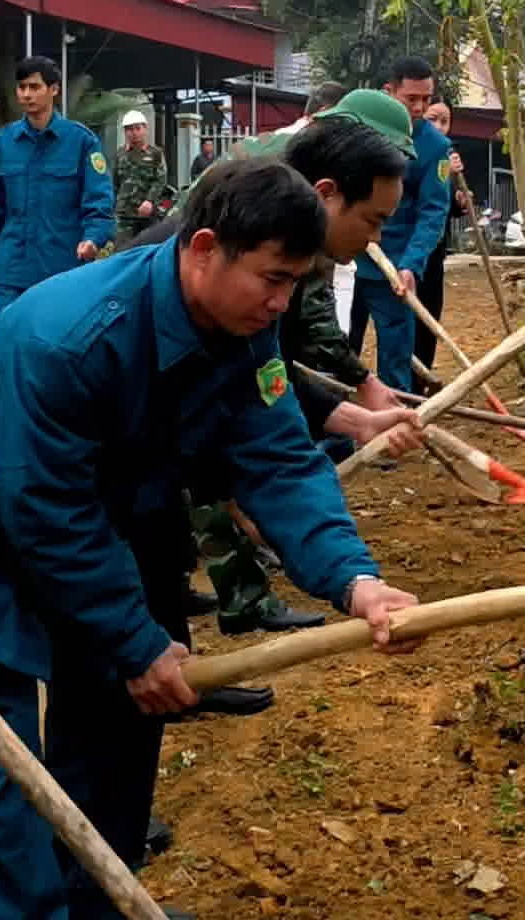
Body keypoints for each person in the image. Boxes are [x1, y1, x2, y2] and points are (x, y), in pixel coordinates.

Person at [0, 158, 423, 920]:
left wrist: (355, 580)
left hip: (96, 520)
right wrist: (134, 639)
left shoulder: (249, 332)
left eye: (295, 283)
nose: (283, 303)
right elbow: (45, 511)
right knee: (7, 778)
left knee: (116, 729)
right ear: (205, 248)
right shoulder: (68, 337)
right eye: (273, 279)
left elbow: (277, 461)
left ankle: (99, 907)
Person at [129, 89, 420, 639]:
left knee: (166, 540)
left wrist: (354, 579)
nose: (377, 239)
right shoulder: (251, 246)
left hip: (154, 454)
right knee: (152, 530)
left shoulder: (270, 272)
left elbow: (268, 389)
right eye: (372, 220)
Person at [0, 56, 114, 320]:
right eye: (22, 87)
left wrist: (92, 239)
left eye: (34, 87)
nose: (26, 94)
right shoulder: (5, 142)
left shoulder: (81, 142)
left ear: (54, 89)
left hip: (61, 269)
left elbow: (99, 203)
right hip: (12, 271)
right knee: (6, 341)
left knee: (55, 346)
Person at [346, 57, 453, 393]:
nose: (420, 107)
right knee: (335, 341)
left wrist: (411, 265)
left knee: (395, 350)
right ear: (388, 92)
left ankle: (396, 418)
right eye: (412, 99)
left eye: (427, 99)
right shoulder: (358, 133)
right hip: (344, 260)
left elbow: (433, 212)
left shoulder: (435, 148)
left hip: (391, 269)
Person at [415, 99, 472, 388]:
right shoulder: (414, 149)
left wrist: (460, 201)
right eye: (433, 118)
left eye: (445, 121)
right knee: (408, 316)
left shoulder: (446, 155)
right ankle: (406, 383)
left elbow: (443, 206)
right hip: (410, 248)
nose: (439, 126)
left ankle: (423, 376)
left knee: (431, 313)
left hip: (436, 251)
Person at [110, 108, 172, 246]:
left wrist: (149, 201)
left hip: (148, 214)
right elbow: (114, 183)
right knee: (122, 251)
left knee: (148, 250)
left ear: (145, 129)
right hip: (124, 215)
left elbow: (160, 180)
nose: (134, 133)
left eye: (138, 128)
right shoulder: (119, 154)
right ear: (125, 132)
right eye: (129, 129)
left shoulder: (156, 153)